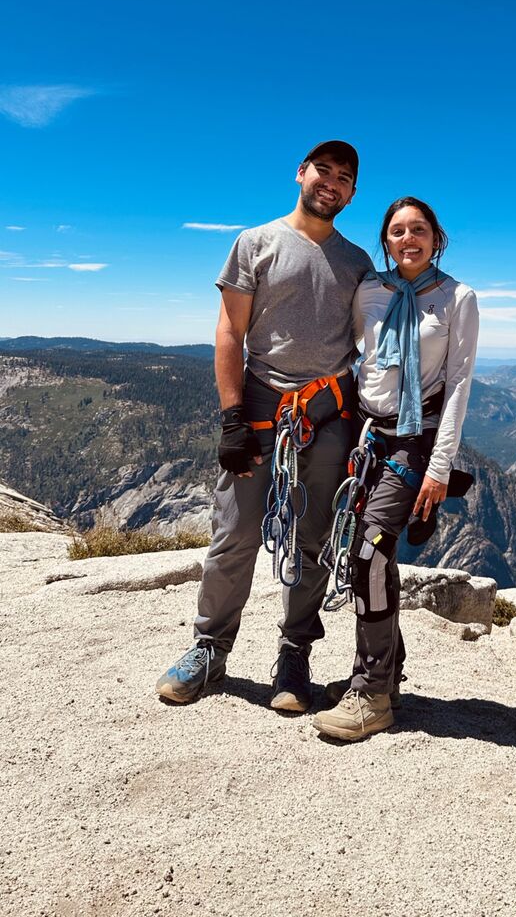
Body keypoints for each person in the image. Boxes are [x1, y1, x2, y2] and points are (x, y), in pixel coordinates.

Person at [156, 140, 374, 710]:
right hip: (260, 407)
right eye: (322, 170)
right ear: (300, 174)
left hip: (328, 411)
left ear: (353, 193)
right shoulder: (254, 243)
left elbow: (370, 348)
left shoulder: (358, 265)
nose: (330, 182)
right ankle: (209, 648)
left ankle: (294, 655)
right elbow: (230, 332)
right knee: (235, 534)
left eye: (343, 177)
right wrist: (232, 419)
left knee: (313, 540)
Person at [312, 196, 479, 741]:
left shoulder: (458, 298)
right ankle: (389, 672)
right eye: (398, 231)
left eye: (419, 230)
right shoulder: (371, 290)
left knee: (370, 550)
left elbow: (458, 385)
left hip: (417, 440)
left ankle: (373, 691)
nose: (408, 239)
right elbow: (356, 354)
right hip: (367, 433)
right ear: (385, 241)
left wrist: (440, 466)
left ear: (436, 237)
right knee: (363, 551)